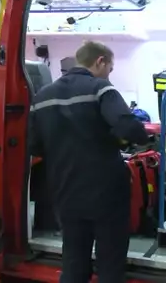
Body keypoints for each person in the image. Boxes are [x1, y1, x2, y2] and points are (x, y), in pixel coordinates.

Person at [29, 41, 150, 283]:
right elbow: (130, 127)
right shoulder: (101, 89)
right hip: (106, 193)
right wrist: (124, 140)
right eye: (110, 68)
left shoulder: (42, 97)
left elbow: (33, 145)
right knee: (109, 263)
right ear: (100, 61)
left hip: (65, 191)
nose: (109, 73)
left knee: (74, 262)